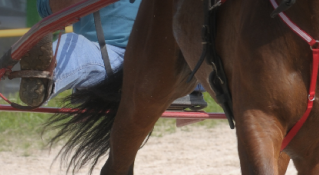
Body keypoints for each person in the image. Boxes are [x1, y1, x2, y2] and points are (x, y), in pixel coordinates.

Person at [19, 0, 206, 110]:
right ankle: (41, 81)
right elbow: (48, 9)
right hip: (103, 55)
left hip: (155, 60)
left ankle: (197, 86)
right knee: (73, 42)